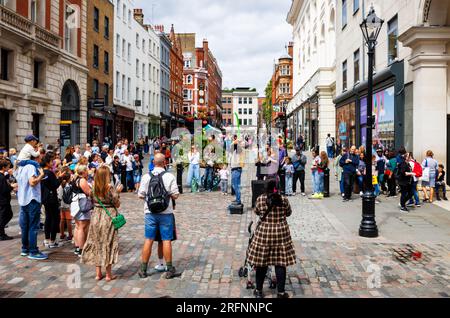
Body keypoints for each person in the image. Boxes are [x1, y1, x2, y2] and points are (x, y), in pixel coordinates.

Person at [247, 180, 296, 299]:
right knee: (280, 263)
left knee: (261, 263)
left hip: (264, 232)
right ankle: (281, 292)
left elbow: (257, 212)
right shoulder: (283, 199)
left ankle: (258, 291)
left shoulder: (260, 199)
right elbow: (288, 213)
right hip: (280, 233)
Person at [138, 153, 180, 279]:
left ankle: (143, 269)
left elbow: (140, 195)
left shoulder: (146, 176)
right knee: (166, 240)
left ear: (153, 162)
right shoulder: (169, 176)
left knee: (148, 239)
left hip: (150, 213)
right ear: (164, 162)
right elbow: (176, 195)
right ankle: (169, 268)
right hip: (165, 213)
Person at [82, 166, 123, 282]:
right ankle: (109, 275)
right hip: (108, 217)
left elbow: (91, 198)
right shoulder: (109, 188)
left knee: (97, 243)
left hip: (96, 216)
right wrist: (118, 192)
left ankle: (98, 274)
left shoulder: (93, 188)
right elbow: (117, 203)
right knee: (107, 243)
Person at [17, 153, 47, 260]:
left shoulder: (21, 167)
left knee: (25, 226)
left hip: (23, 200)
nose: (40, 159)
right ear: (34, 158)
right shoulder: (31, 167)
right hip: (32, 199)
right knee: (33, 227)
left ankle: (25, 249)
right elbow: (32, 182)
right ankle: (33, 251)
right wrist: (41, 175)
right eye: (39, 157)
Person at [41, 152, 64, 248]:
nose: (53, 163)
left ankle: (46, 239)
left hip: (45, 198)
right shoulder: (49, 173)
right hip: (52, 198)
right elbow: (55, 185)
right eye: (51, 161)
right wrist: (60, 178)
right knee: (55, 218)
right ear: (47, 162)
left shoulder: (42, 172)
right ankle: (52, 240)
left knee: (48, 218)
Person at [71, 165, 92, 257]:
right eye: (86, 170)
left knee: (78, 226)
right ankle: (81, 248)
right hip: (82, 204)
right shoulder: (82, 180)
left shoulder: (75, 178)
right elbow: (89, 192)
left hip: (76, 204)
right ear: (83, 172)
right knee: (82, 227)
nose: (88, 172)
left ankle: (77, 247)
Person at [0, 159, 16, 241]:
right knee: (5, 216)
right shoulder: (2, 177)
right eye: (8, 166)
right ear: (3, 167)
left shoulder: (2, 176)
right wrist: (12, 186)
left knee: (6, 215)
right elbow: (4, 189)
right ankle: (1, 234)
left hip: (3, 200)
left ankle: (1, 232)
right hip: (3, 200)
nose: (9, 168)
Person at [58, 167, 73, 241]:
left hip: (61, 205)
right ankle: (70, 235)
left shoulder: (60, 185)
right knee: (68, 221)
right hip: (67, 205)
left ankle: (62, 234)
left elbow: (59, 196)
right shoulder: (69, 186)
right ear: (69, 179)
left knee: (62, 220)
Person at [230, 139, 244, 206]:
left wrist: (236, 142)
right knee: (234, 185)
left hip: (236, 169)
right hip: (235, 169)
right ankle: (237, 198)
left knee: (236, 185)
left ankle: (238, 200)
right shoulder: (236, 151)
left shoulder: (238, 151)